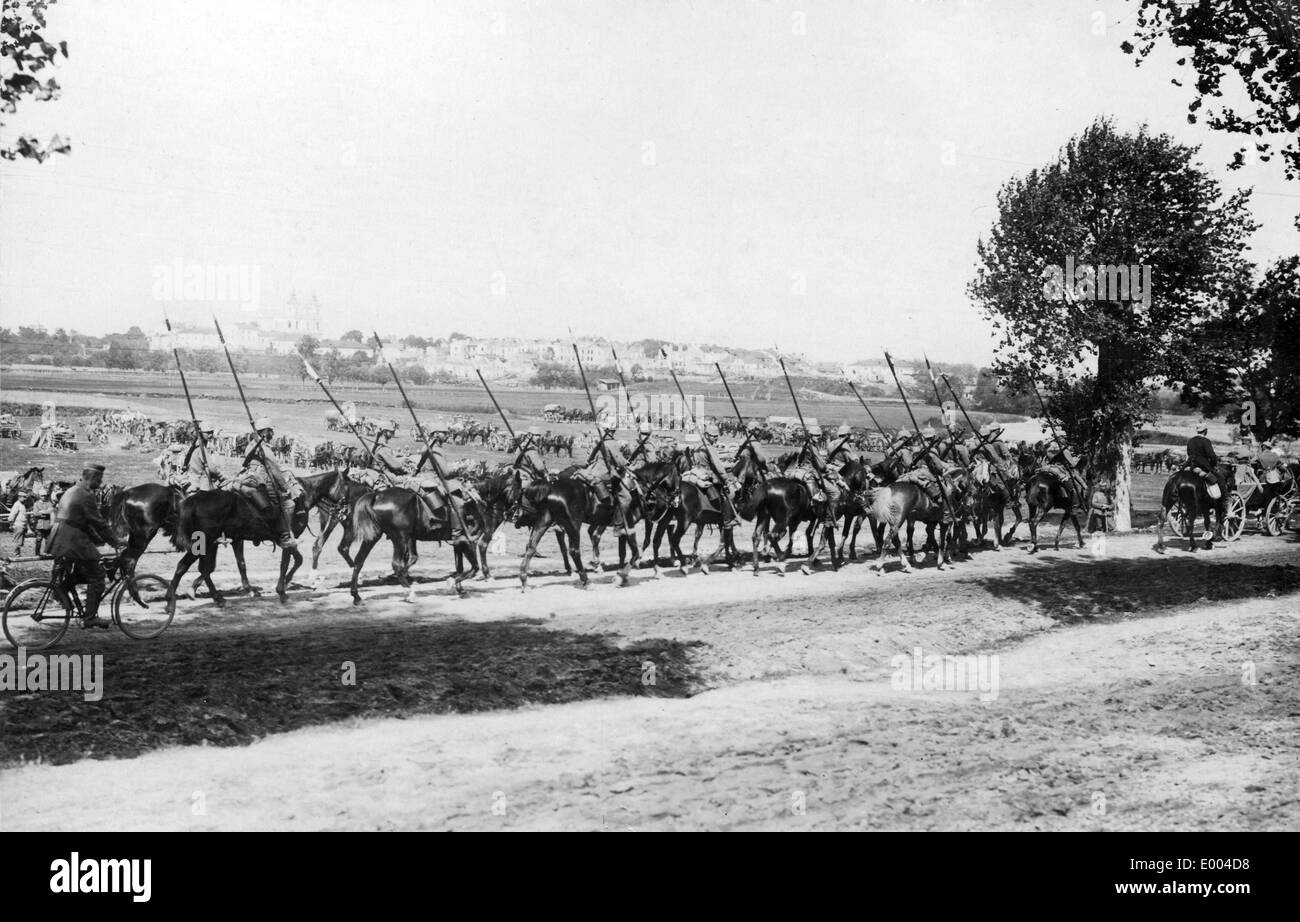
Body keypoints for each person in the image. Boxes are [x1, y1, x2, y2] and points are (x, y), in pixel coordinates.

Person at [45, 464, 122, 629]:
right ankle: (90, 617)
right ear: (93, 478)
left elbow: (85, 522)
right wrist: (115, 541)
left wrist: (100, 540)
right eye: (99, 479)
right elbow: (98, 522)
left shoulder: (73, 490)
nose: (101, 482)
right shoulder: (85, 495)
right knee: (98, 576)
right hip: (72, 539)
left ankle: (61, 590)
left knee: (83, 573)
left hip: (63, 537)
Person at [239, 416, 299, 549]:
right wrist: (285, 487)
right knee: (287, 503)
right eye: (271, 431)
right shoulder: (263, 448)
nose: (273, 434)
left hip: (248, 476)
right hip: (262, 479)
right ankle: (285, 536)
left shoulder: (250, 445)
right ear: (266, 432)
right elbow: (274, 469)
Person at [577, 417, 636, 532]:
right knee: (627, 498)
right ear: (611, 431)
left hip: (591, 471)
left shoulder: (599, 442)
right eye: (614, 431)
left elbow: (589, 459)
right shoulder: (612, 443)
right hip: (604, 474)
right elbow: (619, 462)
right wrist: (626, 462)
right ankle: (618, 526)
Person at [686, 422, 739, 528]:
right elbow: (718, 467)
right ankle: (727, 520)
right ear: (706, 435)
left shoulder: (697, 445)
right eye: (713, 436)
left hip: (697, 473)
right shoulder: (709, 448)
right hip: (708, 474)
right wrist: (726, 480)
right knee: (731, 492)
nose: (715, 438)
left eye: (716, 436)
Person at [511, 425, 551, 525]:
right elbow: (540, 467)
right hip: (528, 474)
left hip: (519, 472)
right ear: (529, 435)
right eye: (536, 435)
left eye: (539, 435)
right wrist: (546, 473)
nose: (538, 437)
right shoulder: (531, 450)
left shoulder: (521, 447)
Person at [179, 420, 220, 491]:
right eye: (208, 433)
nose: (210, 435)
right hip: (200, 480)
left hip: (192, 477)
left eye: (211, 432)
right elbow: (212, 469)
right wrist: (221, 476)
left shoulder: (196, 447)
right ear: (201, 433)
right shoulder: (202, 449)